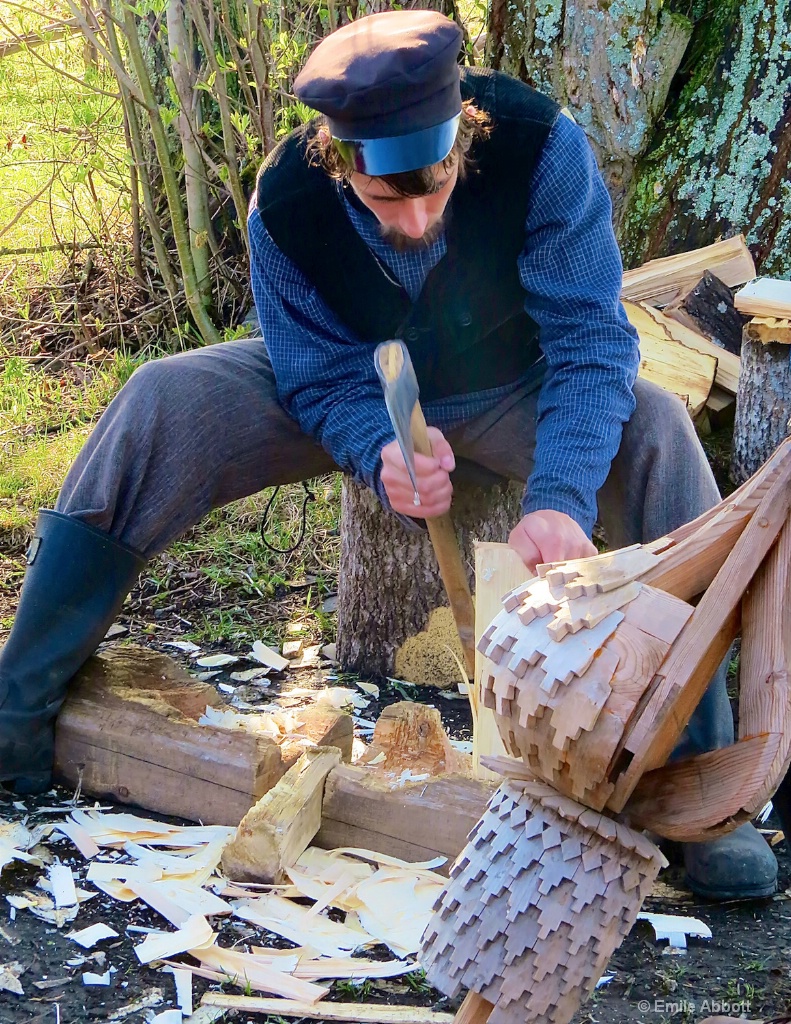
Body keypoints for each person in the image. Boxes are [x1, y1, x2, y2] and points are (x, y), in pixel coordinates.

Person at [0, 11, 777, 900]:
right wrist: (378, 447)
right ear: (337, 163)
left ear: (463, 135)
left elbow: (590, 343)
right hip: (361, 384)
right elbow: (318, 371)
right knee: (160, 399)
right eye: (384, 200)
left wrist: (559, 492)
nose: (414, 221)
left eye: (434, 187)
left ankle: (705, 792)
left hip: (510, 383)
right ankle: (17, 707)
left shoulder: (538, 147)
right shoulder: (286, 203)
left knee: (654, 430)